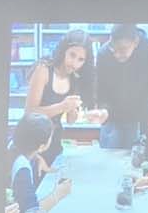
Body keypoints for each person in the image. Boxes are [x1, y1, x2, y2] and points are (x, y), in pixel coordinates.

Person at [23, 29, 96, 166]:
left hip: (54, 141)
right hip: (32, 144)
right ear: (63, 50)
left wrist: (73, 110)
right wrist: (62, 106)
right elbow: (29, 112)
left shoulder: (74, 79)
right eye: (72, 55)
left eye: (81, 60)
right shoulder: (44, 69)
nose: (74, 63)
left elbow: (70, 121)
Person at [96, 24, 148, 146]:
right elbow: (101, 91)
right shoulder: (104, 54)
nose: (116, 54)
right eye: (113, 48)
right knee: (108, 152)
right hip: (110, 116)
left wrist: (146, 131)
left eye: (122, 49)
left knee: (134, 154)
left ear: (135, 42)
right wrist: (103, 110)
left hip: (136, 118)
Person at [8, 114, 71, 213]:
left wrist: (36, 156)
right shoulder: (22, 170)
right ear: (41, 146)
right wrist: (58, 194)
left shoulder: (12, 144)